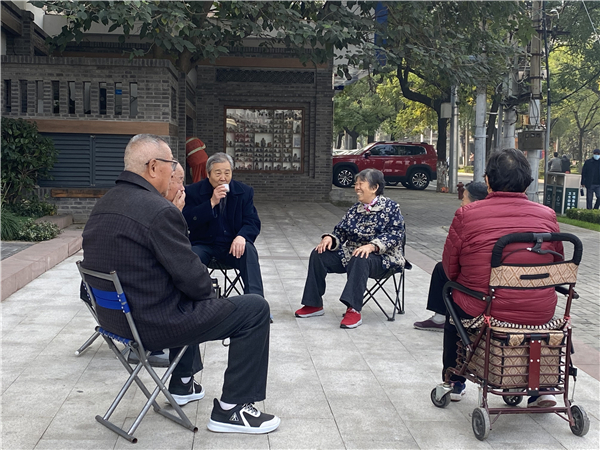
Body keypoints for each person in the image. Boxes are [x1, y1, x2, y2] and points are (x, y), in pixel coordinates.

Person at [80, 134, 280, 434]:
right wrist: (211, 296)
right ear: (153, 167)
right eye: (171, 164)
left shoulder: (105, 203)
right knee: (254, 308)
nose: (175, 171)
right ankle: (232, 409)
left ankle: (183, 382)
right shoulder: (158, 210)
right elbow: (196, 282)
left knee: (183, 294)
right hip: (154, 324)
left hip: (115, 321)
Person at [441, 148, 563, 407]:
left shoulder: (467, 214)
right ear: (527, 181)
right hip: (539, 311)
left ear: (487, 181)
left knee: (450, 297)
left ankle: (455, 380)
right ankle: (542, 389)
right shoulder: (547, 215)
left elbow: (450, 267)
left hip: (485, 308)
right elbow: (557, 263)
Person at [294, 168, 405, 329]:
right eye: (356, 184)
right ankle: (313, 304)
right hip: (352, 255)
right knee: (319, 254)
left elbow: (395, 234)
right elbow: (340, 231)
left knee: (361, 257)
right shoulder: (355, 209)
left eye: (361, 184)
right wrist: (330, 238)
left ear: (374, 187)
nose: (356, 188)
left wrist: (372, 246)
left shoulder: (391, 207)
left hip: (383, 259)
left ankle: (353, 309)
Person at [182, 152, 264, 298]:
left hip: (231, 246)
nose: (223, 178)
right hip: (204, 245)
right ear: (208, 174)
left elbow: (252, 221)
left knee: (249, 251)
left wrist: (242, 236)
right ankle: (190, 302)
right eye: (218, 173)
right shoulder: (193, 191)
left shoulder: (244, 192)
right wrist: (211, 202)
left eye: (227, 173)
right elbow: (187, 220)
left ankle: (256, 302)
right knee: (190, 256)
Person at [413, 181, 489, 331]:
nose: (461, 203)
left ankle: (441, 318)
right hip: (506, 283)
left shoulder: (466, 219)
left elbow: (451, 260)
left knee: (442, 269)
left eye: (463, 199)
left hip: (477, 285)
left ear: (475, 201)